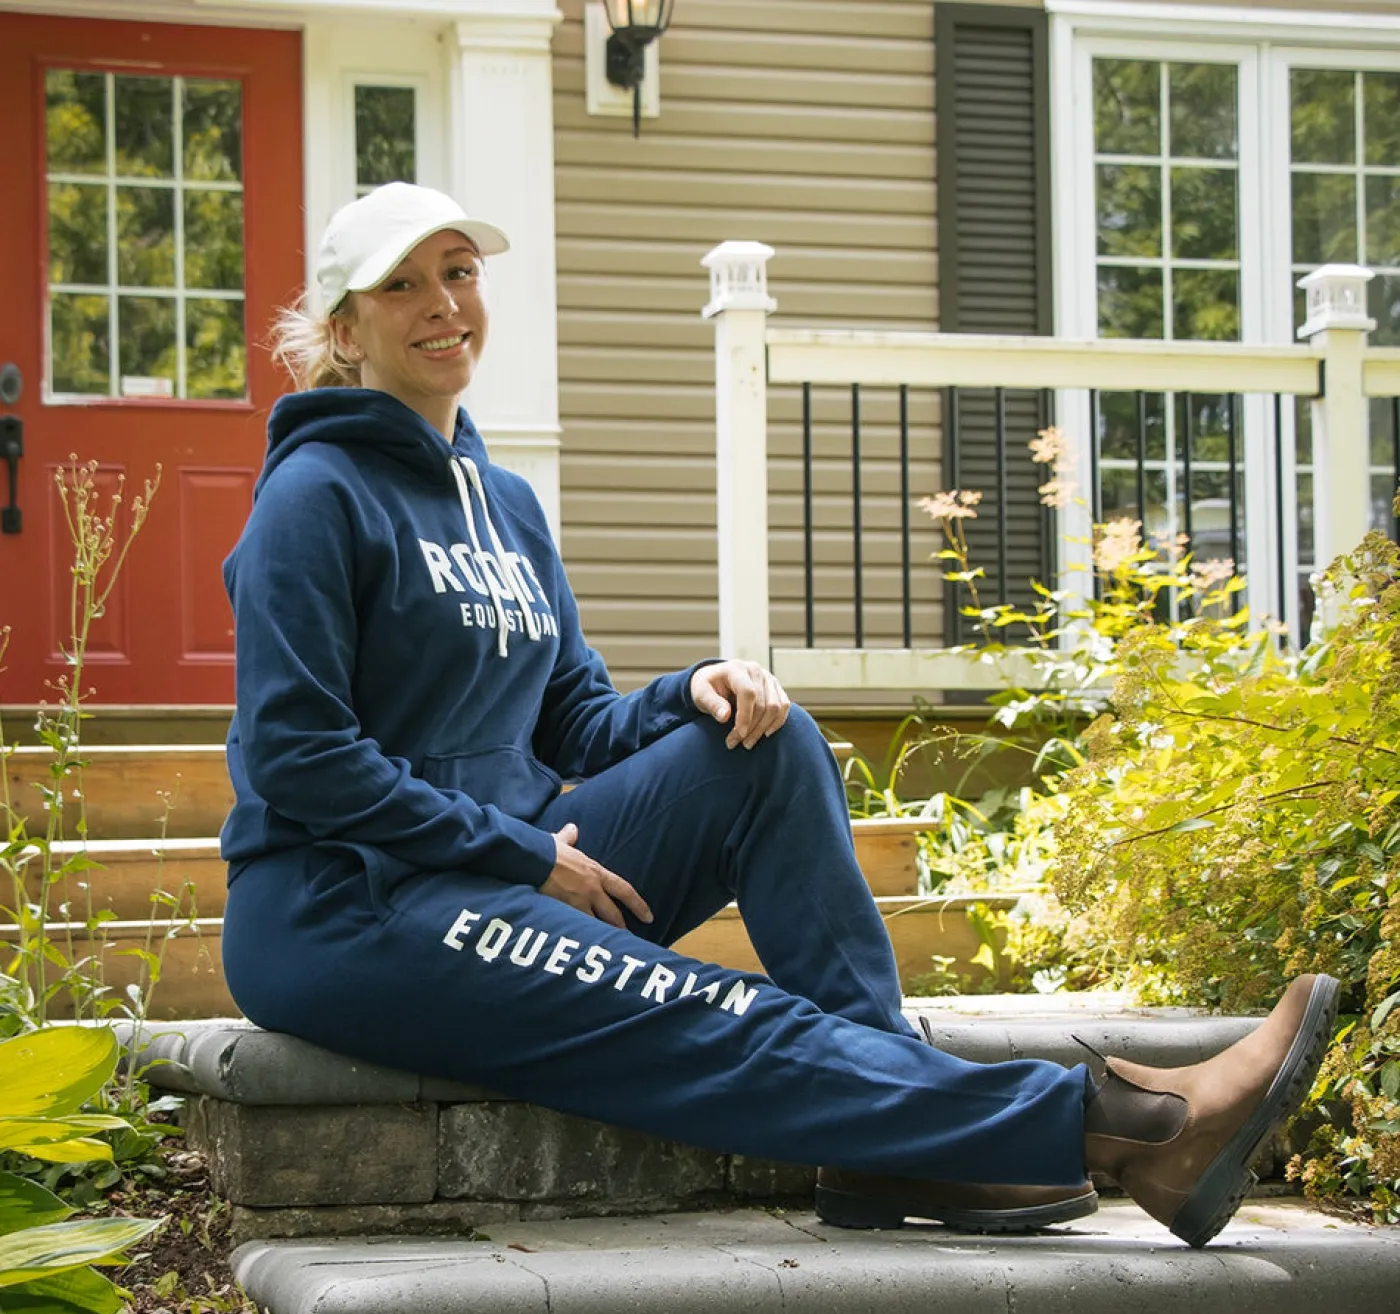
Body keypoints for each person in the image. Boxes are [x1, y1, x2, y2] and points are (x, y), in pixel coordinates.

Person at [219, 181, 1338, 1250]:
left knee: (765, 741)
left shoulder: (504, 503)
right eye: (402, 285)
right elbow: (298, 756)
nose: (443, 304)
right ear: (345, 331)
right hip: (348, 907)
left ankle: (895, 1150)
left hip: (504, 867)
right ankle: (1134, 1126)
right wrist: (520, 855)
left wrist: (693, 688)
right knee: (709, 1007)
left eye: (458, 272)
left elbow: (571, 720)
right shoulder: (314, 495)